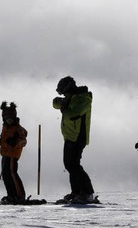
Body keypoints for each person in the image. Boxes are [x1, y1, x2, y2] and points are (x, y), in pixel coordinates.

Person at [52, 76, 96, 204]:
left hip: (78, 136)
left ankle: (87, 193)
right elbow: (55, 104)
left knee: (73, 164)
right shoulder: (71, 98)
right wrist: (62, 102)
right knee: (69, 165)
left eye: (62, 92)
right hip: (69, 136)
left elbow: (74, 113)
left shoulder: (84, 98)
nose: (62, 94)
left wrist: (64, 106)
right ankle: (76, 191)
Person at [0, 101, 28, 204]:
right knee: (5, 175)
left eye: (10, 117)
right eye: (6, 118)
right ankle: (11, 195)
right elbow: (3, 139)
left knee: (12, 173)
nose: (9, 119)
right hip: (5, 155)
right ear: (3, 118)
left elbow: (23, 141)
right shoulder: (5, 127)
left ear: (14, 116)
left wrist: (15, 142)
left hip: (12, 155)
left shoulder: (18, 128)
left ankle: (20, 196)